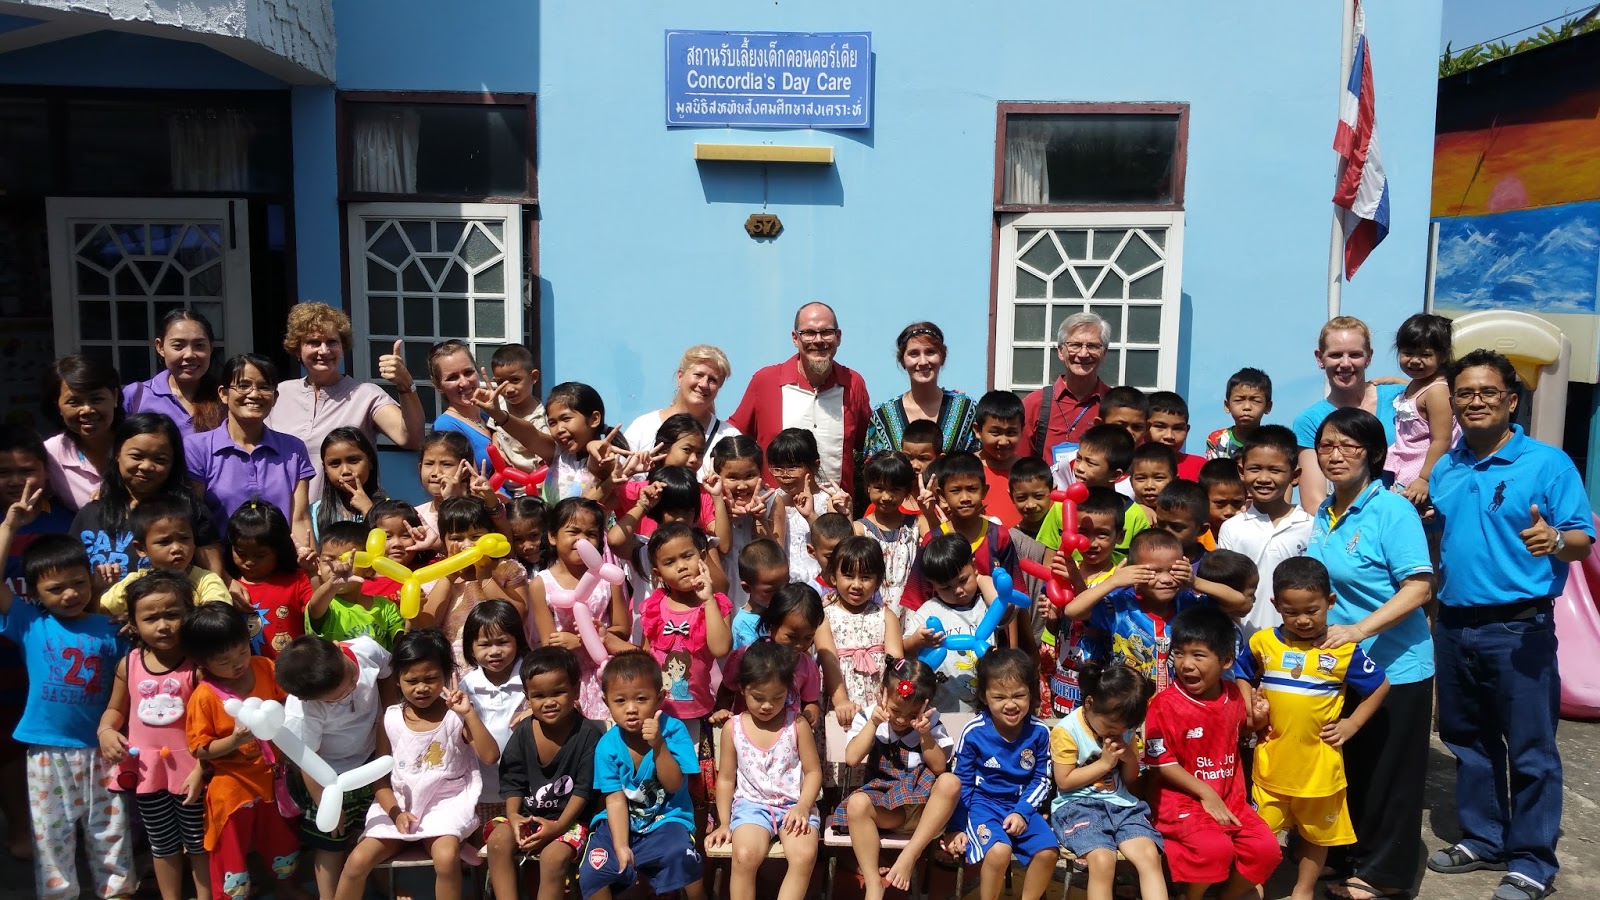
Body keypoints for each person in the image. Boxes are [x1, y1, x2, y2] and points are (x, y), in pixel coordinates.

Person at [1426, 349, 1594, 900]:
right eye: (1465, 394)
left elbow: (1580, 539)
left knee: (1530, 749)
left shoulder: (1547, 464)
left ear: (1511, 401)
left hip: (1518, 628)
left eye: (1487, 392)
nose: (1475, 401)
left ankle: (1532, 860)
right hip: (1453, 624)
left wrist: (1556, 541)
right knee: (1466, 740)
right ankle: (1484, 837)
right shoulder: (1448, 466)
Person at [1305, 407, 1434, 900]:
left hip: (1397, 666)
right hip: (1345, 669)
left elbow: (1419, 587)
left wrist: (1359, 629)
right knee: (1351, 769)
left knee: (1390, 774)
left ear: (1374, 454)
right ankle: (1348, 858)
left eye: (1349, 446)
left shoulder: (1391, 510)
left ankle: (1384, 873)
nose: (1336, 456)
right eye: (1327, 446)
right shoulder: (1326, 510)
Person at [0, 504, 132, 900]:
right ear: (34, 591)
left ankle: (118, 892)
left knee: (110, 832)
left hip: (103, 749)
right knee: (51, 837)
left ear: (91, 579)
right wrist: (8, 525)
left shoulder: (112, 625)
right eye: (56, 589)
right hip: (47, 750)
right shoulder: (29, 623)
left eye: (78, 582)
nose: (70, 594)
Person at [1251, 557, 1390, 900]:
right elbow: (1241, 673)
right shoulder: (1263, 643)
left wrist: (1352, 723)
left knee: (1316, 836)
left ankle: (1303, 889)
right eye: (1290, 611)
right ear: (1275, 606)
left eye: (1312, 610)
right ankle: (1254, 886)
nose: (1302, 619)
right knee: (1259, 834)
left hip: (1319, 769)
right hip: (1271, 765)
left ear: (1330, 602)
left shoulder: (1342, 649)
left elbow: (1380, 685)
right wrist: (1249, 709)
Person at [337, 629, 499, 900]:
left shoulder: (456, 717)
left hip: (444, 807)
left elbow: (490, 755)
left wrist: (469, 714)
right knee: (356, 861)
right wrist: (395, 814)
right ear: (398, 681)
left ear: (446, 676)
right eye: (411, 680)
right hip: (396, 809)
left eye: (431, 678)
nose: (421, 688)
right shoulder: (389, 720)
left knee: (447, 858)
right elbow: (381, 780)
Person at [1143, 606, 1280, 900]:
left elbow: (1240, 727)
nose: (1186, 664)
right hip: (1181, 803)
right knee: (1215, 849)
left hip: (1232, 801)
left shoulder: (1232, 695)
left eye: (1198, 655)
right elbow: (1161, 763)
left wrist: (1261, 716)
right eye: (1179, 654)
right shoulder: (1165, 705)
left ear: (1226, 660)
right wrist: (1207, 793)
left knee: (1267, 851)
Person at [182, 603, 305, 900]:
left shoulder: (264, 667)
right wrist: (236, 741)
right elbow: (201, 748)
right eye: (224, 660)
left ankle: (286, 888)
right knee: (230, 852)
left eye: (241, 651)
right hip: (231, 787)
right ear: (202, 662)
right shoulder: (205, 697)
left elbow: (290, 700)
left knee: (282, 842)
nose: (237, 663)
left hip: (273, 778)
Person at [97, 571, 207, 900]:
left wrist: (203, 769)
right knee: (162, 844)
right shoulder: (128, 664)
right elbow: (115, 710)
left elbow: (214, 725)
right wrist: (105, 730)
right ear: (133, 622)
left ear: (189, 614)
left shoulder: (198, 667)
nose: (163, 625)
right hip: (147, 773)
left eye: (173, 614)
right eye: (151, 617)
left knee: (200, 842)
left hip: (193, 773)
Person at [579, 651, 708, 900]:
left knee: (682, 857)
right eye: (620, 701)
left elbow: (673, 785)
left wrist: (659, 746)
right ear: (606, 702)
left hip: (667, 820)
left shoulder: (673, 731)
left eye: (641, 699)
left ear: (659, 698)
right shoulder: (607, 746)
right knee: (594, 871)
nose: (631, 709)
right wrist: (620, 845)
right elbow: (615, 799)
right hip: (621, 824)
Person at [276, 633, 393, 900]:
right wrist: (326, 805)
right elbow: (307, 759)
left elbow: (385, 673)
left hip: (369, 763)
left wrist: (390, 711)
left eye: (352, 678)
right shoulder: (302, 710)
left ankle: (384, 885)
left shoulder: (366, 650)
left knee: (373, 832)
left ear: (339, 647)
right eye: (338, 697)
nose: (353, 687)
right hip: (327, 780)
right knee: (331, 841)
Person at [834, 658, 961, 900]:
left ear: (927, 704)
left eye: (911, 713)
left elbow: (938, 767)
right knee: (857, 804)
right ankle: (874, 884)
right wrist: (873, 724)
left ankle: (910, 854)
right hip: (888, 809)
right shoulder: (870, 717)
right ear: (881, 693)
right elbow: (852, 758)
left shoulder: (930, 724)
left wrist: (925, 735)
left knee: (950, 782)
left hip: (924, 811)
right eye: (895, 711)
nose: (902, 720)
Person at [705, 640, 823, 900]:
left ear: (789, 692)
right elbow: (725, 779)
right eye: (758, 698)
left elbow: (814, 772)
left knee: (804, 855)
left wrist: (803, 806)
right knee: (744, 855)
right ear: (743, 689)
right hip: (751, 806)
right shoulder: (733, 728)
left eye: (778, 698)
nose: (767, 706)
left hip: (794, 804)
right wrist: (724, 822)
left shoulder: (797, 725)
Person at [486, 646, 605, 900]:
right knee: (497, 841)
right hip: (528, 816)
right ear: (527, 698)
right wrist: (514, 817)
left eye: (559, 692)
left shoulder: (588, 736)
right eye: (539, 695)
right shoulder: (523, 733)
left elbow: (584, 790)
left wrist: (557, 827)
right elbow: (512, 781)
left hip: (571, 822)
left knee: (553, 858)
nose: (549, 702)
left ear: (576, 690)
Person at [1063, 529, 1251, 691]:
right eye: (1153, 571)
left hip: (1178, 706)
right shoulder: (1118, 608)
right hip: (1128, 706)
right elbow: (1073, 611)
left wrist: (1195, 581)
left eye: (1173, 570)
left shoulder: (1190, 603)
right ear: (1133, 570)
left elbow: (1239, 603)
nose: (1166, 579)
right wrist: (1113, 581)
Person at [267, 302, 423, 495]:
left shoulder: (365, 395)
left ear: (343, 347)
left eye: (332, 342)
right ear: (297, 350)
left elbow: (412, 438)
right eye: (314, 343)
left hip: (347, 519)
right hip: (288, 516)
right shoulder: (280, 394)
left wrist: (405, 385)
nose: (324, 351)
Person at [1048, 661, 1166, 900]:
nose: (1115, 733)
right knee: (1103, 859)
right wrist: (1104, 763)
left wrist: (1130, 757)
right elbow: (1064, 781)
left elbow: (1129, 779)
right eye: (1110, 726)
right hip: (1077, 807)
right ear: (1090, 703)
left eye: (1123, 729)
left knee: (1149, 855)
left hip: (1121, 804)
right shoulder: (1066, 731)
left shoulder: (1123, 728)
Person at [948, 649, 1058, 900]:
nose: (1011, 704)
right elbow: (961, 782)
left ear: (1031, 693)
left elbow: (1042, 779)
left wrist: (1022, 811)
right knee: (999, 851)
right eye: (999, 697)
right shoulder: (974, 731)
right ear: (984, 697)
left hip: (1021, 807)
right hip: (982, 806)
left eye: (1019, 695)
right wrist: (954, 827)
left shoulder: (1039, 732)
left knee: (1049, 851)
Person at [728, 302, 872, 490]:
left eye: (826, 332)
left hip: (836, 513)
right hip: (775, 513)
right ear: (795, 338)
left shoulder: (853, 383)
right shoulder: (766, 381)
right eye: (809, 333)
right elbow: (733, 438)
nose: (818, 340)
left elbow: (872, 447)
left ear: (838, 337)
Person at [185, 353, 314, 552]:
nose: (254, 394)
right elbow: (196, 522)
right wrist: (221, 579)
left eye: (264, 387)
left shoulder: (293, 449)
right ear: (223, 393)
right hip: (221, 571)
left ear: (275, 397)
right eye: (243, 385)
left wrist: (309, 568)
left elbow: (300, 518)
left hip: (281, 570)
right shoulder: (197, 447)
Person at [72, 412, 223, 579]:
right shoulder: (91, 514)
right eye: (137, 456)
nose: (146, 466)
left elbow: (212, 577)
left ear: (173, 463)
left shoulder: (191, 511)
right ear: (117, 454)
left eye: (160, 460)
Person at [530, 497, 633, 720]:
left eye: (591, 534)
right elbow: (550, 642)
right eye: (573, 531)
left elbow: (623, 629)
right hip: (566, 680)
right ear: (552, 536)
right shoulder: (541, 583)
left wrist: (587, 639)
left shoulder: (608, 576)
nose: (582, 540)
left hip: (606, 674)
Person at [1292, 317, 1404, 513]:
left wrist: (1404, 383)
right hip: (1353, 531)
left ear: (1369, 357)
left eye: (1354, 355)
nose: (1345, 363)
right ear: (1320, 358)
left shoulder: (1400, 399)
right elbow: (1313, 501)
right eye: (1335, 355)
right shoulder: (1310, 421)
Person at [1218, 424, 1313, 636]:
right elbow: (1225, 590)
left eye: (1275, 470)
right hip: (1243, 647)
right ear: (1241, 472)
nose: (1263, 478)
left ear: (1295, 476)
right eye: (1255, 468)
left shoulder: (1311, 526)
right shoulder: (1232, 528)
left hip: (1297, 646)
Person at [902, 534, 1000, 712]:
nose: (958, 590)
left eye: (963, 580)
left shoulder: (985, 604)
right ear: (932, 585)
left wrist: (981, 578)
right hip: (943, 707)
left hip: (985, 708)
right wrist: (918, 640)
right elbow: (905, 648)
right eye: (945, 587)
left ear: (974, 566)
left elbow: (1004, 607)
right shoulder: (929, 611)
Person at [97, 495, 230, 618]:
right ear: (141, 548)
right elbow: (99, 612)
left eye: (184, 538)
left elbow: (219, 621)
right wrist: (97, 589)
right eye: (164, 542)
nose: (177, 548)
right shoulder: (133, 583)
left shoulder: (206, 581)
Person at [818, 535, 903, 724]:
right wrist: (841, 701)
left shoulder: (886, 616)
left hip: (880, 704)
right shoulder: (824, 617)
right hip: (840, 701)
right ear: (833, 577)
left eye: (865, 577)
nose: (857, 585)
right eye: (848, 576)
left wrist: (891, 702)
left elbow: (895, 663)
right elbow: (829, 661)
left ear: (878, 580)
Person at [623, 345, 742, 479]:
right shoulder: (644, 427)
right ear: (680, 377)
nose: (704, 384)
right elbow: (615, 478)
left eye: (712, 380)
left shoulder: (729, 436)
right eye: (698, 375)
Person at [863, 322, 979, 460]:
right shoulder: (883, 415)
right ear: (902, 361)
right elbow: (872, 472)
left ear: (942, 357)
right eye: (914, 354)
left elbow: (981, 465)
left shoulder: (966, 410)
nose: (923, 361)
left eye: (930, 352)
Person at [1386, 313, 1459, 507]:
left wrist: (1424, 478)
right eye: (1408, 353)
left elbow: (1442, 439)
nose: (1415, 361)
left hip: (1422, 474)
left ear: (1442, 356)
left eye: (1425, 355)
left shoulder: (1437, 391)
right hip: (1407, 471)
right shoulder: (1417, 384)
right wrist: (1393, 380)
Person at [1022, 312, 1112, 465]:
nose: (1083, 354)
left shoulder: (1114, 405)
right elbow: (1020, 465)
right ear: (1060, 351)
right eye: (1075, 345)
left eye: (1092, 346)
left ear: (1104, 353)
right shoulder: (1035, 404)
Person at [122, 308, 225, 438]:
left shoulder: (226, 397)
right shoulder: (136, 396)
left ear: (211, 347)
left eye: (199, 345)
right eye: (178, 346)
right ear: (160, 347)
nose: (189, 355)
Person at [226, 501, 310, 658]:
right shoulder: (227, 586)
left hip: (289, 673)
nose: (249, 562)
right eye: (241, 553)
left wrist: (313, 573)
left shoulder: (297, 580)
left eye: (260, 555)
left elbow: (318, 612)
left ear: (279, 550)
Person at [41, 354, 123, 511]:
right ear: (57, 405)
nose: (87, 410)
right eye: (74, 402)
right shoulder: (50, 454)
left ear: (115, 397)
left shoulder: (143, 441)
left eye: (96, 399)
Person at [486, 343, 552, 490]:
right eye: (501, 382)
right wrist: (498, 450)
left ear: (533, 377)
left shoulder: (542, 417)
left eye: (515, 380)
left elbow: (546, 459)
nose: (508, 389)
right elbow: (494, 429)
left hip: (533, 488)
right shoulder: (500, 405)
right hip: (504, 484)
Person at [312, 427, 387, 541]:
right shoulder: (315, 512)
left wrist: (369, 510)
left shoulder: (389, 509)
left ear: (370, 461)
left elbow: (390, 548)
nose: (346, 470)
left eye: (353, 460)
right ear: (325, 469)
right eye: (335, 464)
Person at [971, 390, 1026, 528]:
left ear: (1022, 431)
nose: (1003, 441)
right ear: (978, 430)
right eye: (995, 432)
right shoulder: (963, 469)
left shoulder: (1029, 471)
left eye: (1011, 432)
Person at [1205, 367, 1272, 461]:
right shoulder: (1217, 440)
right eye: (1239, 400)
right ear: (1227, 406)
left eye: (1255, 401)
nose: (1247, 407)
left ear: (1268, 407)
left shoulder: (1273, 444)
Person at [1146, 391, 1205, 481]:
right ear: (1144, 427)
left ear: (1187, 430)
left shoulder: (1200, 467)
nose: (1169, 436)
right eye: (1160, 426)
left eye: (1178, 428)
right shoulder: (1129, 465)